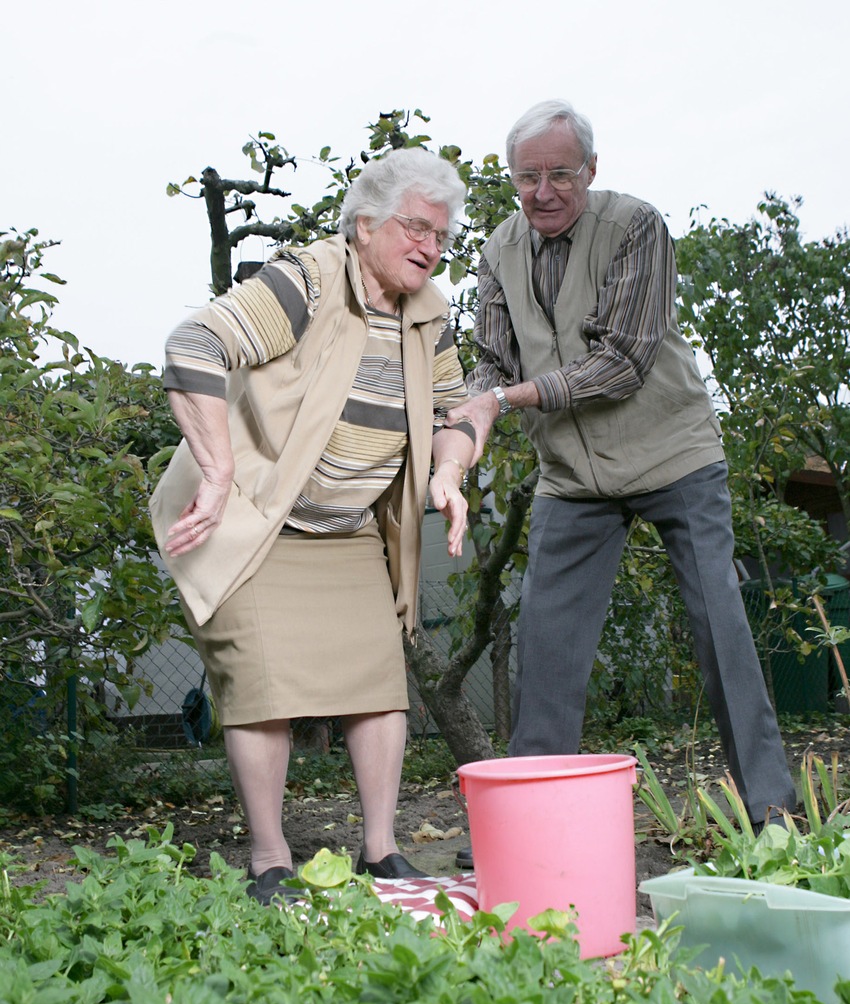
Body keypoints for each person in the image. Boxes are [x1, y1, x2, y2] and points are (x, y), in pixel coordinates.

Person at [447, 100, 795, 866]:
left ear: (591, 172)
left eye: (559, 174)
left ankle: (773, 815)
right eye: (527, 177)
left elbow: (622, 363)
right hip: (573, 477)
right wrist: (469, 416)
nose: (542, 192)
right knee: (546, 644)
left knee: (719, 626)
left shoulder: (636, 226)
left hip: (673, 456)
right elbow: (491, 361)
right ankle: (527, 825)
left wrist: (505, 398)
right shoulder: (500, 249)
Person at [150, 148, 477, 904]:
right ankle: (270, 861)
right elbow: (194, 343)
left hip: (350, 529)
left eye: (442, 234)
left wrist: (447, 473)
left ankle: (381, 851)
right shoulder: (307, 278)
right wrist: (219, 467)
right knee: (263, 690)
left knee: (377, 685)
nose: (431, 245)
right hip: (259, 519)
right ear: (365, 225)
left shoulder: (429, 313)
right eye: (416, 227)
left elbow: (453, 413)